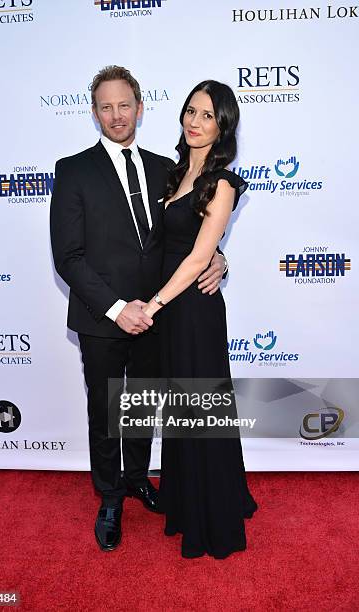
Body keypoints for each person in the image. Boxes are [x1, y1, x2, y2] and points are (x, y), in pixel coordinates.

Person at [50, 66, 227, 552]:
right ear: (94, 113)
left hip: (157, 314)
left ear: (141, 108)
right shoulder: (73, 170)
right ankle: (109, 498)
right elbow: (67, 255)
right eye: (105, 106)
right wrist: (113, 308)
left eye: (124, 104)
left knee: (142, 404)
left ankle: (134, 478)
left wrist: (220, 256)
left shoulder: (163, 167)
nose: (116, 114)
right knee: (106, 412)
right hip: (102, 318)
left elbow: (189, 234)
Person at [143, 80, 258, 559]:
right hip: (172, 309)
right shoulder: (173, 175)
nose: (195, 121)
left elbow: (196, 258)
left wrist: (153, 306)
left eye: (208, 115)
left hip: (190, 309)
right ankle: (187, 498)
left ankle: (211, 517)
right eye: (191, 111)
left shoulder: (222, 183)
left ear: (223, 125)